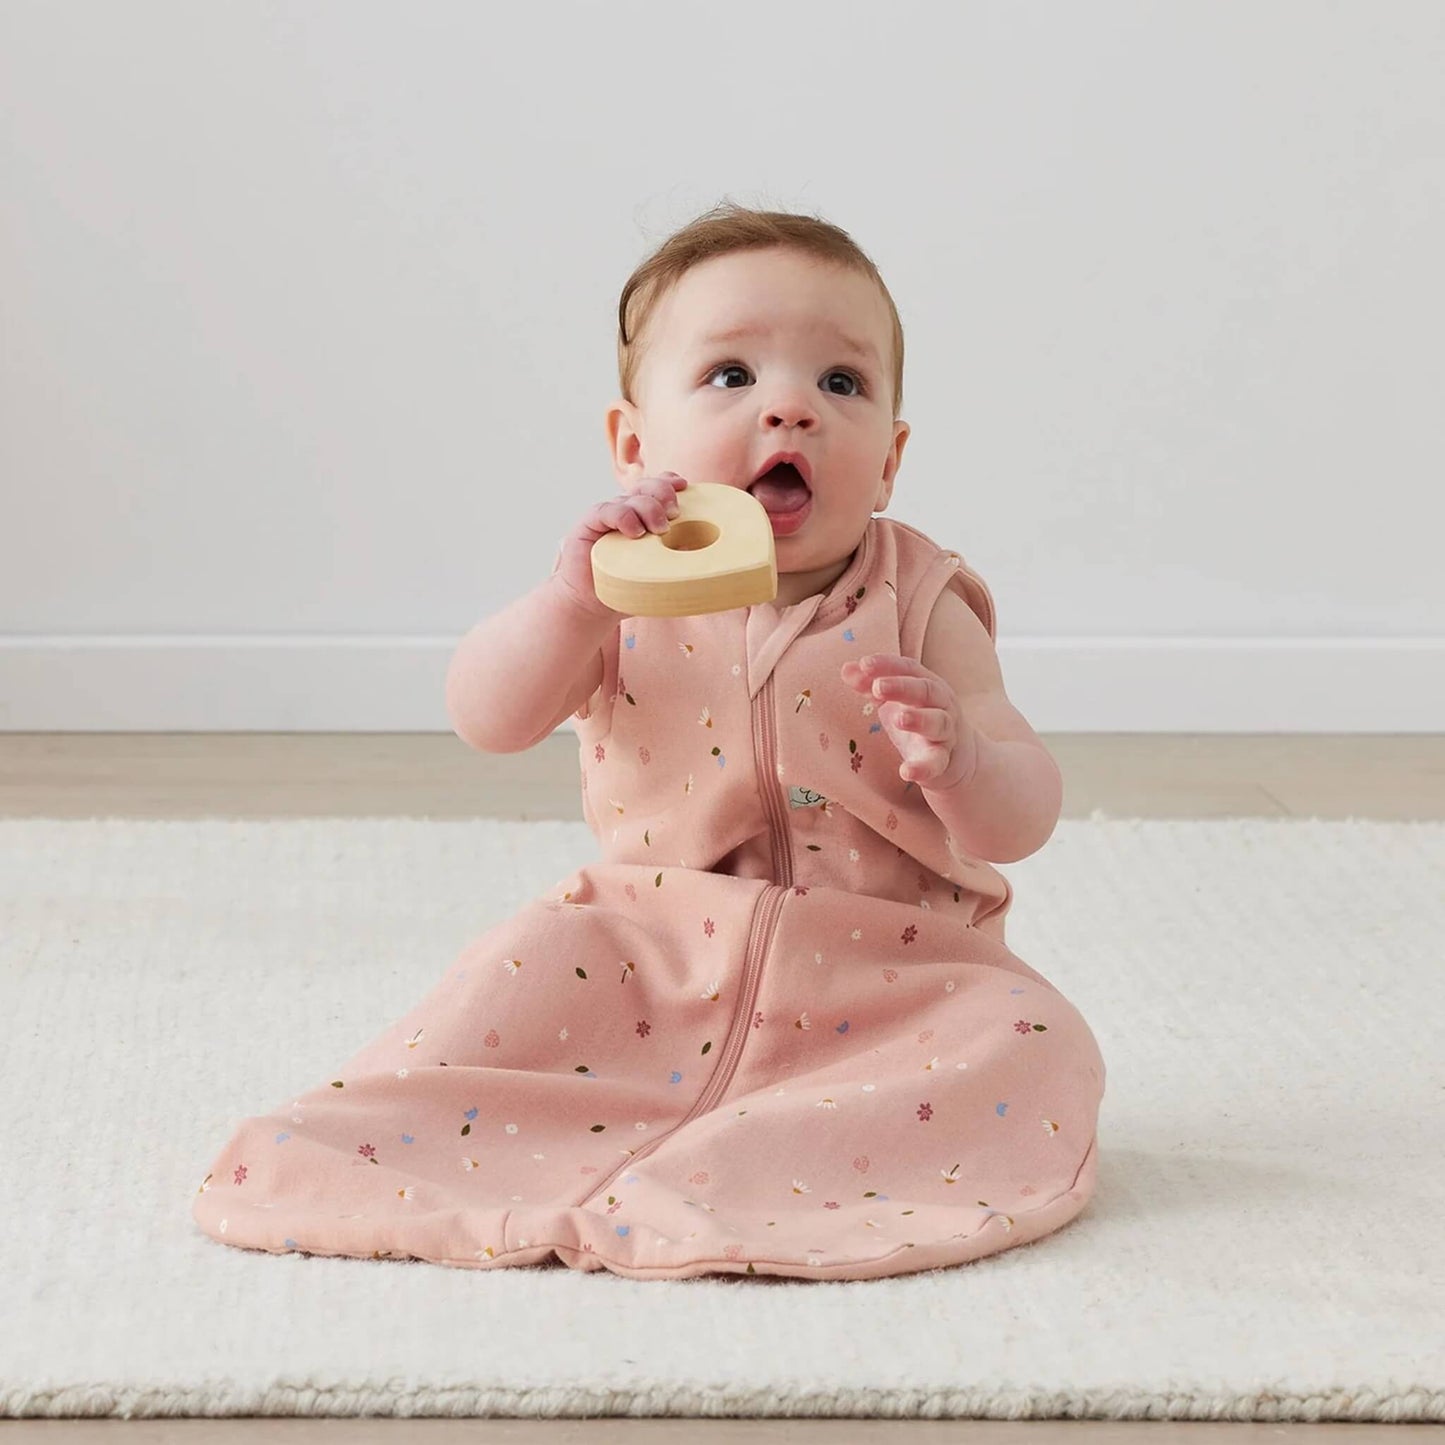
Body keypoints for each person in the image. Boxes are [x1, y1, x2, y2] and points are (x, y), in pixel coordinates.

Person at [192, 201, 1106, 1281]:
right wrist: (569, 606)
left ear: (891, 459)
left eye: (840, 384)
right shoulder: (621, 586)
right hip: (641, 958)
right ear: (634, 443)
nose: (790, 411)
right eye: (730, 377)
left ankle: (738, 1175)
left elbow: (1024, 811)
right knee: (500, 988)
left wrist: (961, 761)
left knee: (1031, 1038)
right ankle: (465, 1158)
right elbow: (488, 715)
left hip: (889, 974)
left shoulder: (921, 600)